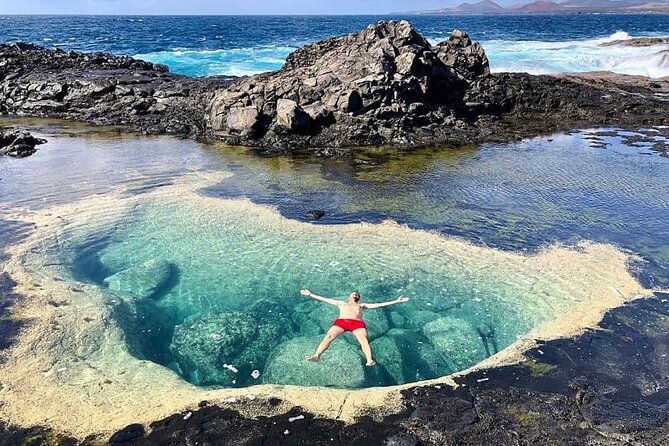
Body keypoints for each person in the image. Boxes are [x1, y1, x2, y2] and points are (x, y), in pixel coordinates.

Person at [300, 289, 409, 367]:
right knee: (328, 337)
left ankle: (369, 360)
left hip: (357, 324)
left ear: (358, 298)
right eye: (353, 294)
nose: (355, 294)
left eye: (356, 294)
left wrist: (396, 301)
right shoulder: (342, 303)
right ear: (349, 297)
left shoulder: (362, 306)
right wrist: (310, 294)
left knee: (363, 340)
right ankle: (317, 355)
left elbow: (379, 305)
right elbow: (326, 299)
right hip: (341, 322)